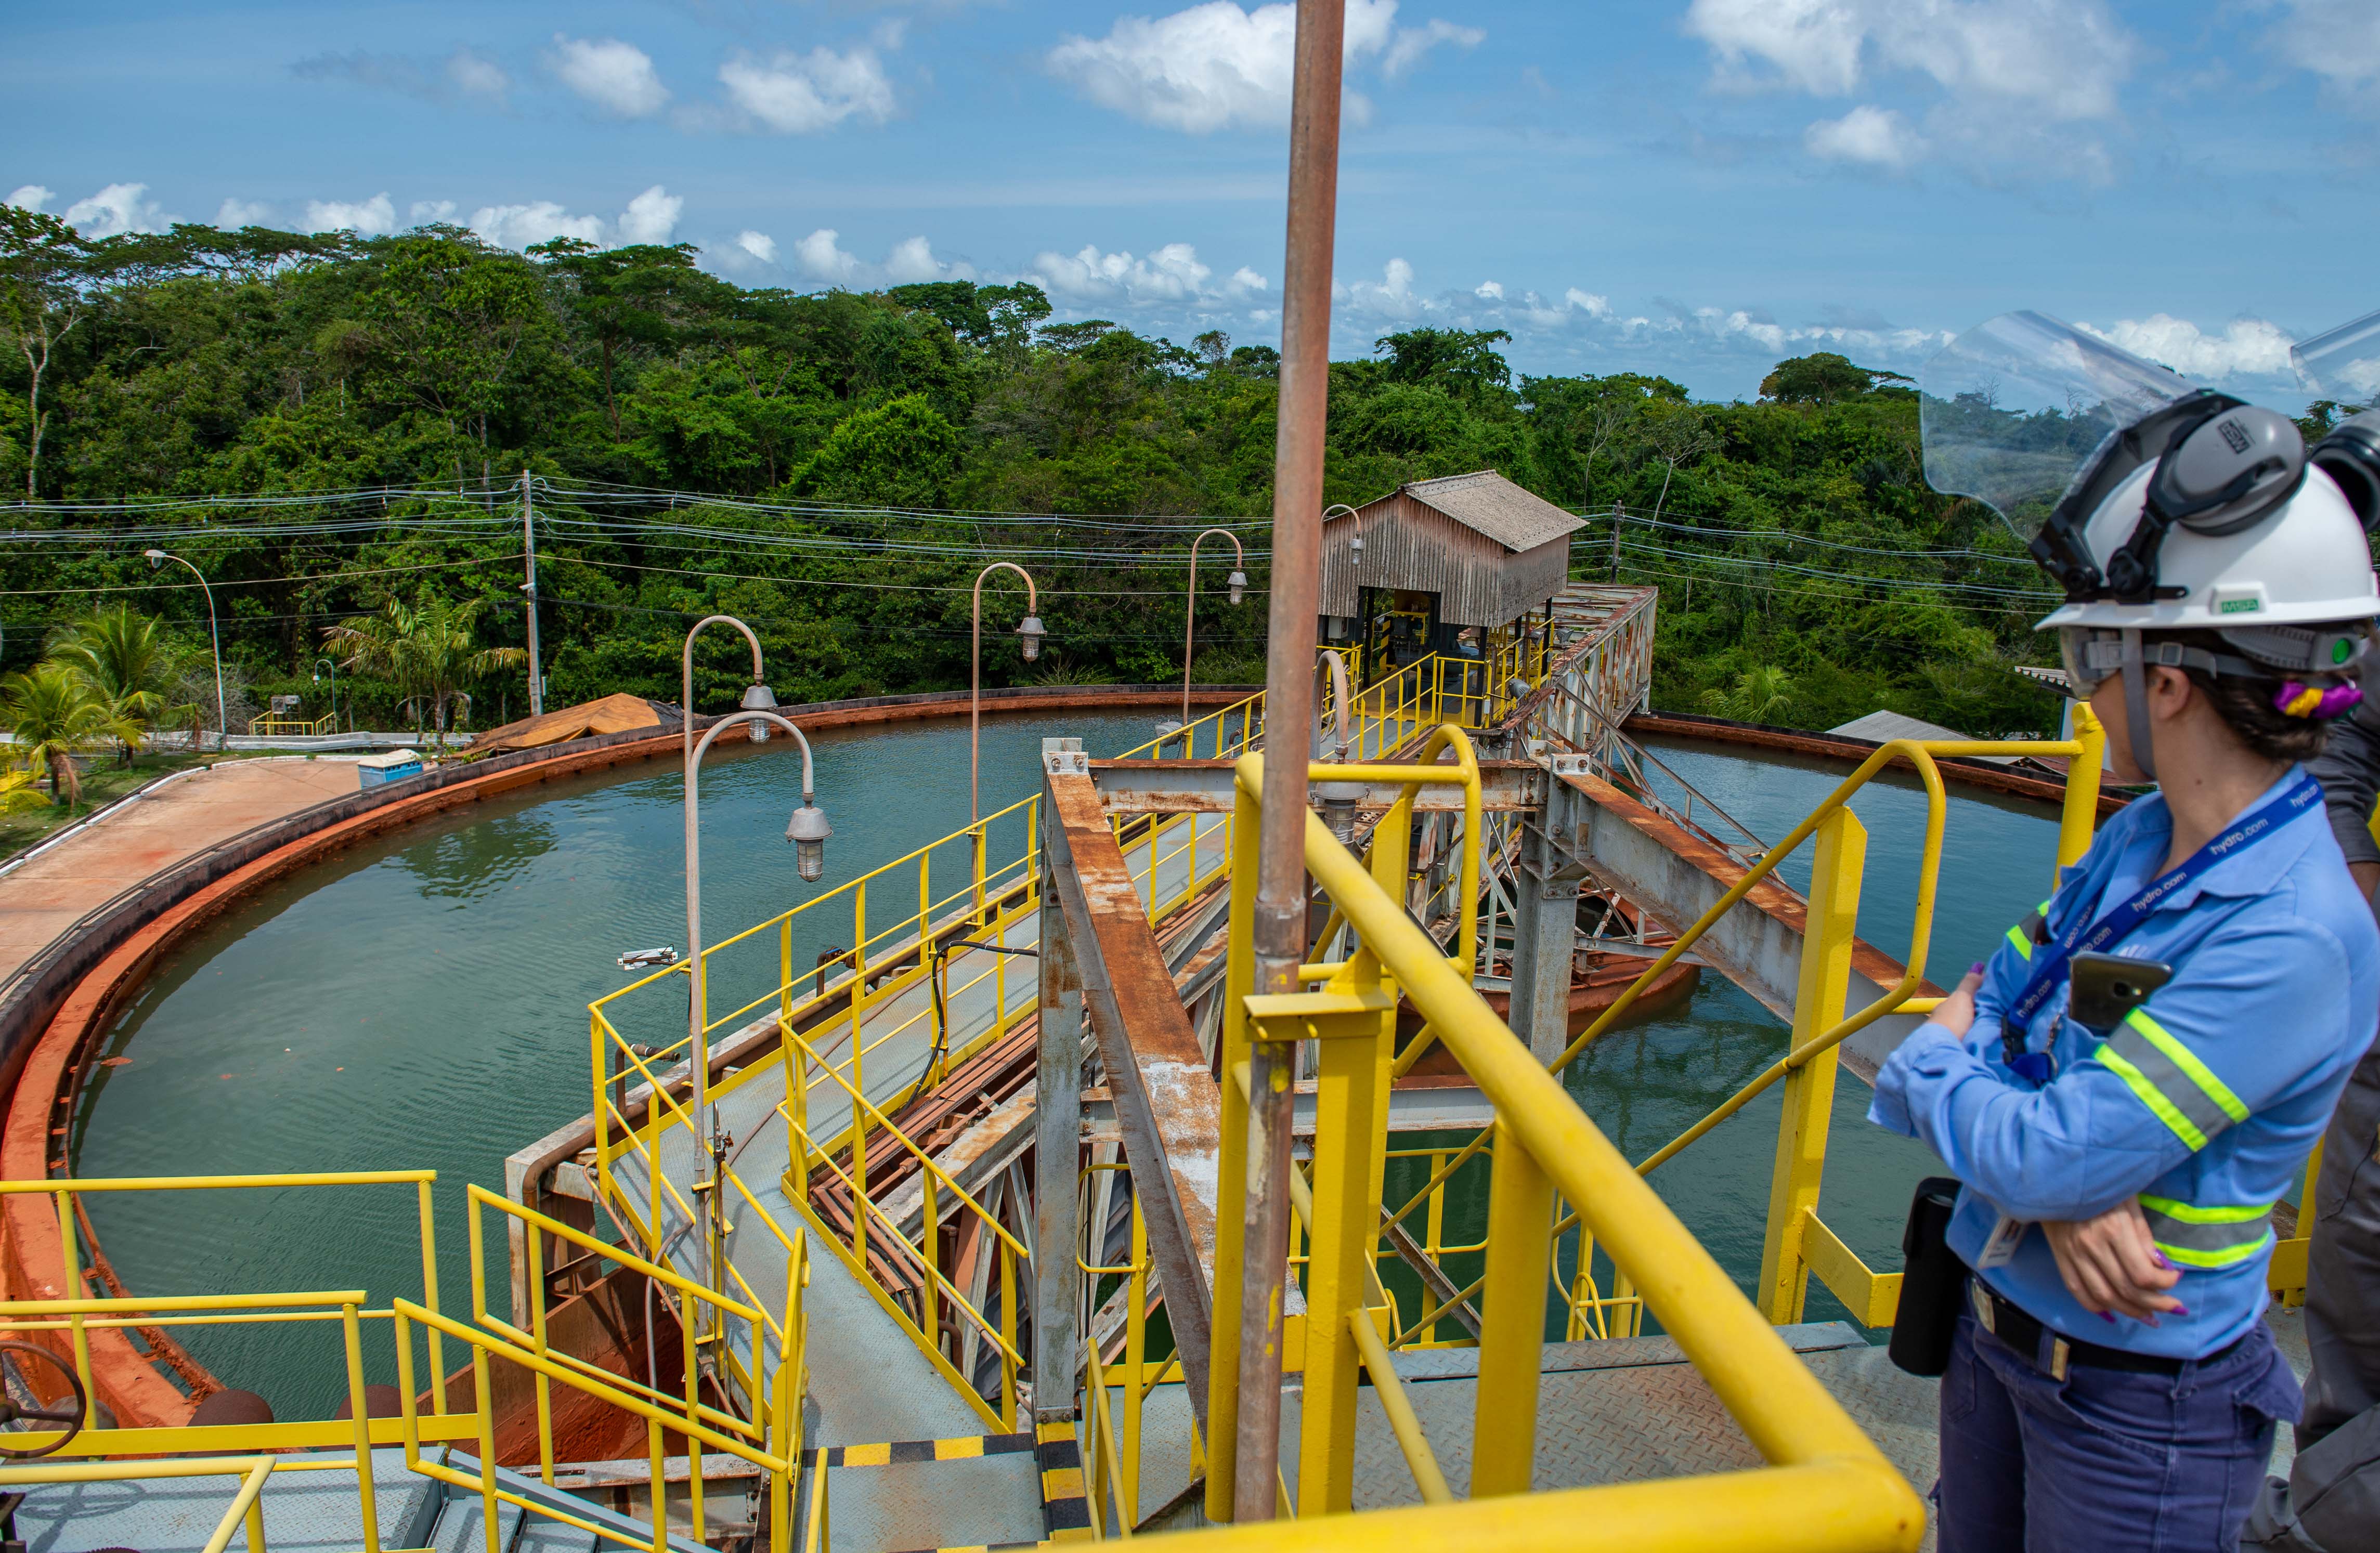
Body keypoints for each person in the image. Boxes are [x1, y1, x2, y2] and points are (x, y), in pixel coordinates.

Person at [1875, 315, 2380, 1552]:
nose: (2085, 686)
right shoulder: (2145, 839)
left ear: (2168, 682)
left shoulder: (2293, 932)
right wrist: (2044, 1182)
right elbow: (2005, 1008)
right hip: (2000, 1336)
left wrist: (2001, 1118)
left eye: (2097, 654)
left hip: (2135, 1405)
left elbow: (1960, 1049)